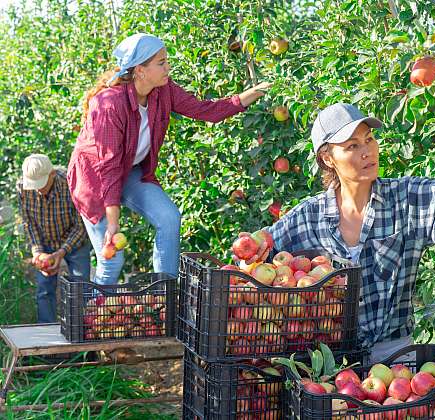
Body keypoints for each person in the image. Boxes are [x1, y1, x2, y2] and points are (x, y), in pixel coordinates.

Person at [252, 103, 435, 362]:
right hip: (327, 361)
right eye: (353, 146)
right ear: (328, 158)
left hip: (393, 358)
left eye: (369, 140)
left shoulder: (403, 200)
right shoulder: (309, 217)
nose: (367, 151)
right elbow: (260, 251)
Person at [68, 33, 270, 284]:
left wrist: (255, 92)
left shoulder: (162, 91)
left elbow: (205, 110)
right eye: (161, 63)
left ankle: (164, 297)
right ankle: (95, 318)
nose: (168, 67)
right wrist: (113, 224)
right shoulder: (109, 104)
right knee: (112, 261)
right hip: (94, 182)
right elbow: (107, 167)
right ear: (140, 70)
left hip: (130, 170)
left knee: (168, 217)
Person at [17, 154, 91, 323]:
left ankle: (82, 332)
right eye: (33, 184)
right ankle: (47, 337)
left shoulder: (70, 184)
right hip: (45, 243)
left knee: (80, 287)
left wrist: (61, 252)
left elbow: (81, 226)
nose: (37, 189)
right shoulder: (22, 188)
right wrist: (37, 252)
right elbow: (29, 222)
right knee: (44, 289)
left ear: (52, 174)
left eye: (40, 184)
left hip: (74, 241)